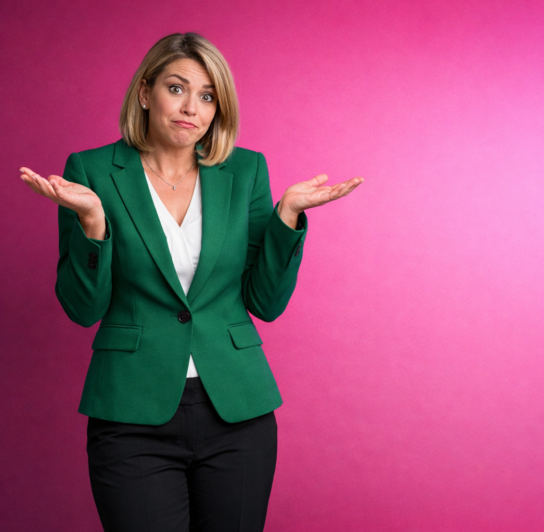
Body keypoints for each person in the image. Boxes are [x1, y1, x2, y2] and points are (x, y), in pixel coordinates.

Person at [18, 32, 363, 531]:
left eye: (207, 96)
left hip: (238, 413)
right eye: (177, 88)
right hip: (130, 414)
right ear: (145, 92)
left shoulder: (246, 171)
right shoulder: (91, 171)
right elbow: (82, 309)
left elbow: (264, 302)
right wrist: (94, 223)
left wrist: (286, 218)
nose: (191, 108)